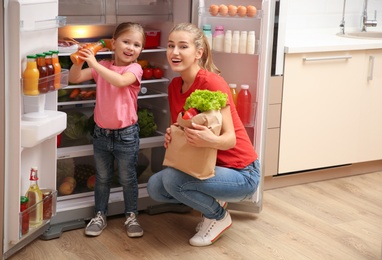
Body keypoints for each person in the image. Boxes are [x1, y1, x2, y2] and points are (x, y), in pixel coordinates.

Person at [147, 22, 261, 247]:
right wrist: (172, 134)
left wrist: (212, 140)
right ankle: (213, 202)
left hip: (242, 172)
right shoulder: (174, 86)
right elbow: (179, 126)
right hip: (207, 167)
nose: (174, 52)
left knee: (172, 180)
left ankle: (218, 216)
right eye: (171, 46)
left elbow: (230, 139)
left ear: (198, 52)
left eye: (183, 46)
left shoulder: (212, 83)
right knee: (155, 186)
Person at [68, 22, 145, 238]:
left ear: (141, 50)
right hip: (101, 134)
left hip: (127, 135)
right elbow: (75, 78)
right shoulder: (102, 64)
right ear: (114, 42)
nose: (131, 47)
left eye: (137, 44)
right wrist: (80, 61)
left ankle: (131, 215)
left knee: (128, 178)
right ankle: (100, 215)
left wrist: (95, 64)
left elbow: (120, 81)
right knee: (102, 177)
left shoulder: (134, 69)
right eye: (126, 41)